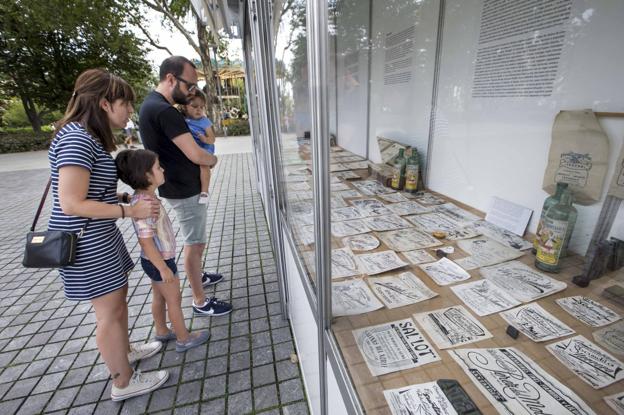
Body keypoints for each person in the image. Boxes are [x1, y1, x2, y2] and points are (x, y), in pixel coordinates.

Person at [48, 69, 168, 401]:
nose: (130, 110)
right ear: (103, 103)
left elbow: (91, 192)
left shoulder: (85, 136)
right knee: (109, 313)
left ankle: (124, 352)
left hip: (98, 238)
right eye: (125, 103)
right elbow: (72, 203)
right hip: (87, 243)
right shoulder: (76, 138)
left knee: (117, 305)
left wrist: (123, 198)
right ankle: (124, 381)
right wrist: (131, 211)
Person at [139, 56, 232, 317]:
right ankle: (200, 301)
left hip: (177, 185)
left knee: (195, 241)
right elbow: (196, 154)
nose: (192, 91)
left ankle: (197, 277)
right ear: (171, 78)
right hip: (184, 187)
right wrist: (212, 159)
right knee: (196, 243)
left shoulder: (150, 105)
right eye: (190, 85)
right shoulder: (165, 111)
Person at [116, 149, 211, 351]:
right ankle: (184, 338)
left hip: (153, 261)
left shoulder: (140, 198)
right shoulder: (147, 204)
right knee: (174, 300)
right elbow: (146, 241)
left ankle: (162, 330)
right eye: (158, 167)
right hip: (159, 260)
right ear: (147, 176)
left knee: (159, 296)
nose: (163, 169)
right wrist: (163, 268)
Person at [180, 90, 216, 204]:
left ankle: (205, 191)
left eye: (201, 107)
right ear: (185, 107)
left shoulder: (204, 121)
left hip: (205, 147)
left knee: (203, 164)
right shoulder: (182, 119)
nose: (198, 109)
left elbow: (212, 139)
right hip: (194, 147)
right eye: (194, 106)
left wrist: (205, 139)